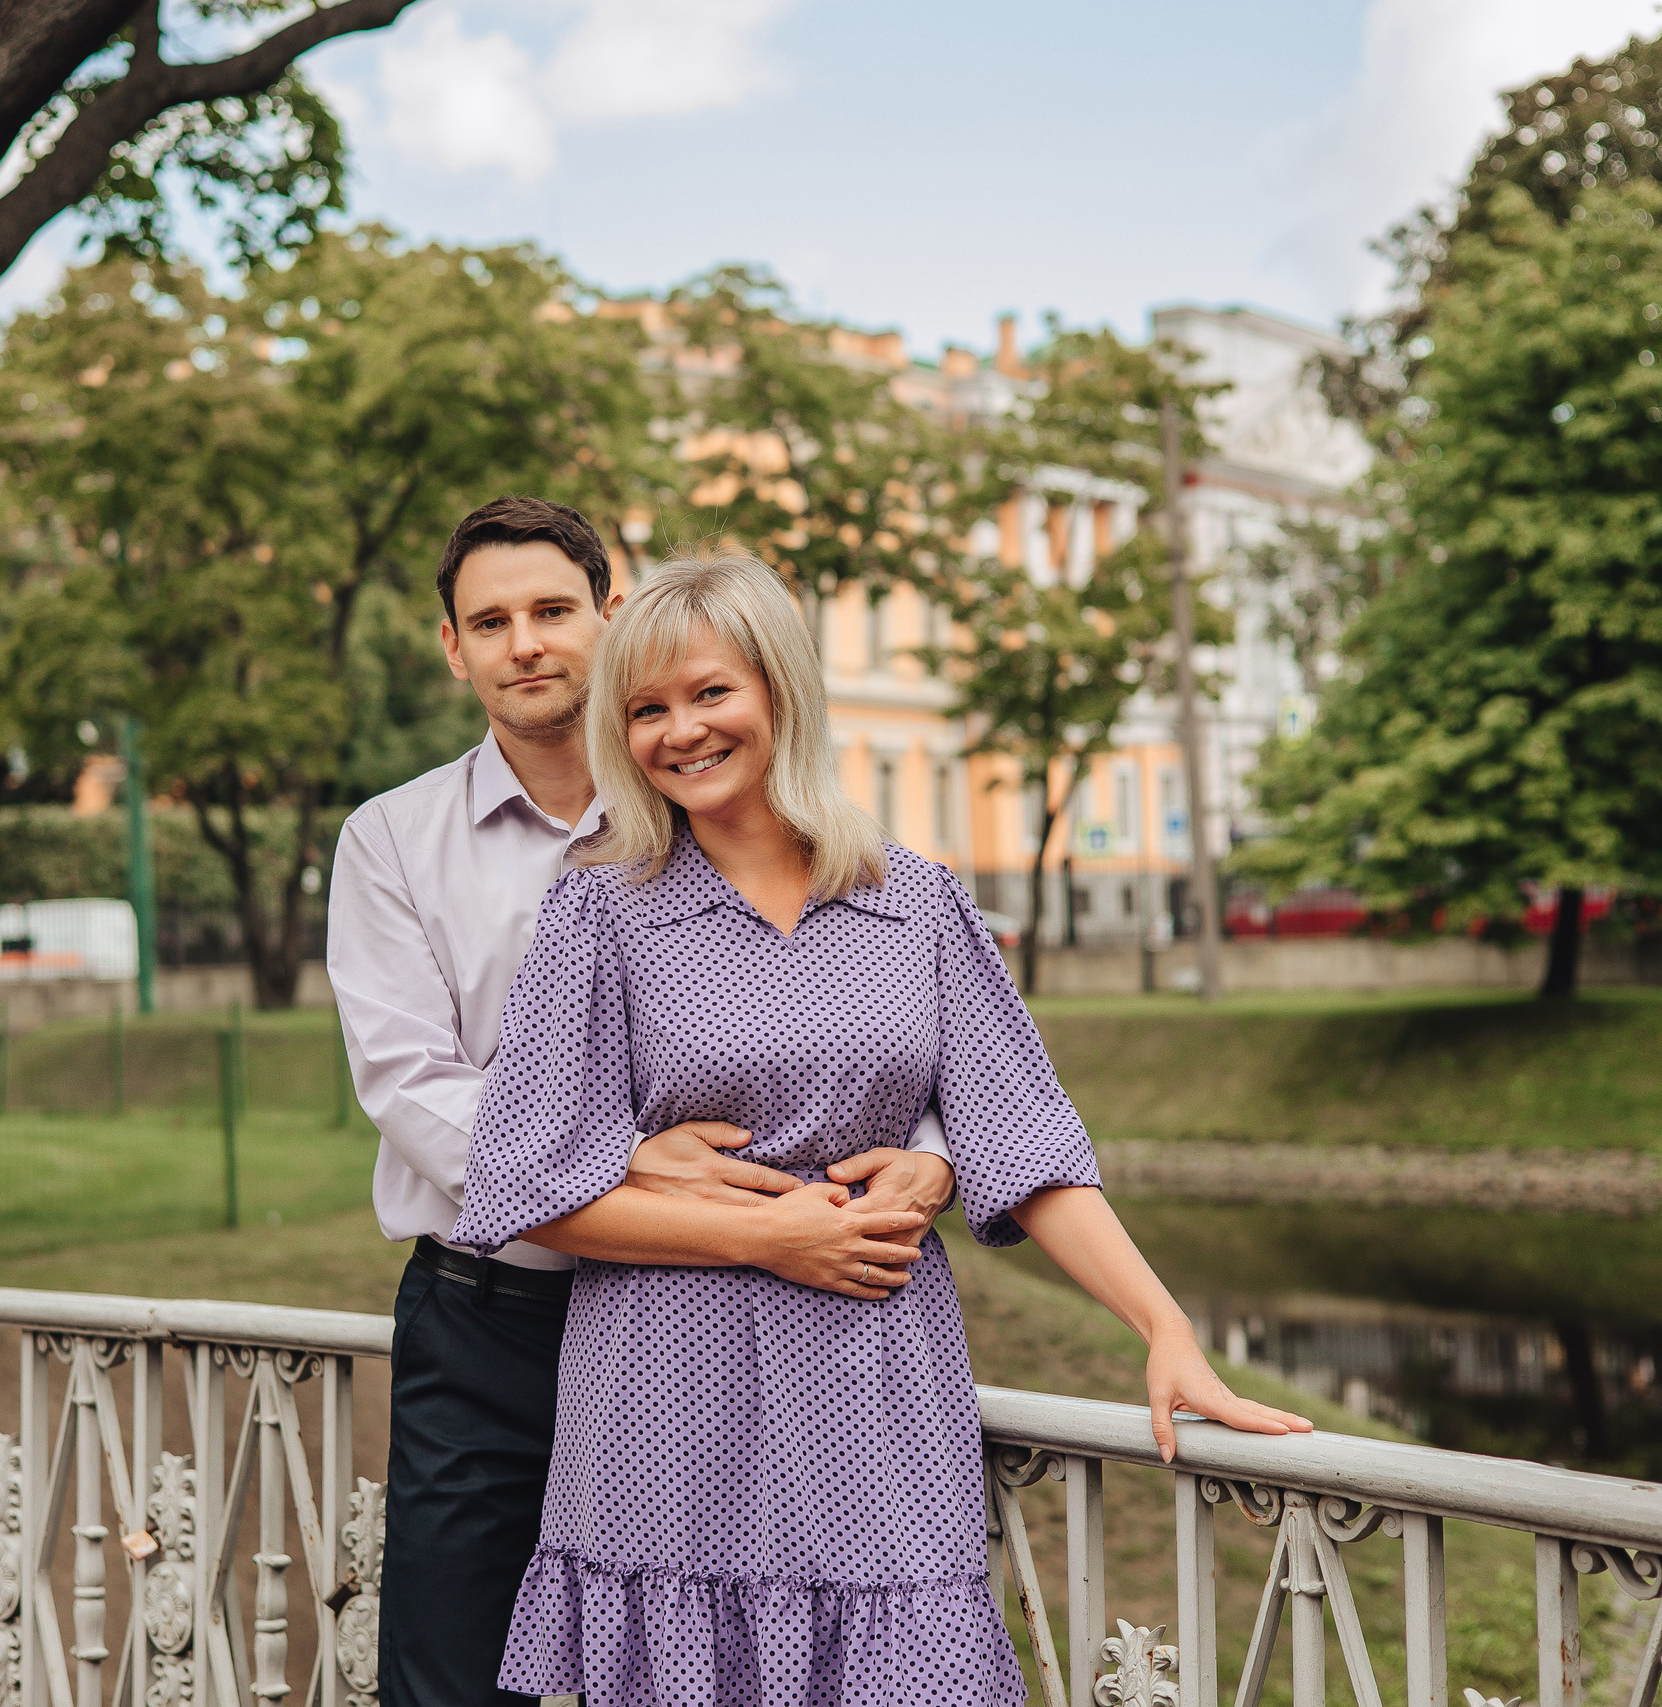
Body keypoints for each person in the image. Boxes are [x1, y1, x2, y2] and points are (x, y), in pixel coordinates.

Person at [452, 549, 1312, 1707]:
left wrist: (1162, 1328)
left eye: (710, 693)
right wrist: (767, 1239)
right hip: (663, 1386)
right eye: (646, 709)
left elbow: (1029, 1144)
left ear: (780, 691)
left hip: (876, 1378)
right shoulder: (603, 904)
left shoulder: (915, 899)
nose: (679, 732)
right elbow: (523, 1184)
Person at [326, 499, 959, 1707]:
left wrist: (933, 1153)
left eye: (554, 611)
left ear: (611, 618)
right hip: (493, 1320)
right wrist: (622, 1162)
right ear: (451, 649)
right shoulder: (393, 841)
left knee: (713, 1668)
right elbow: (410, 1088)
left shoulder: (724, 802)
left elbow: (875, 1015)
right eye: (490, 622)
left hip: (713, 1324)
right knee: (450, 1678)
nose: (526, 644)